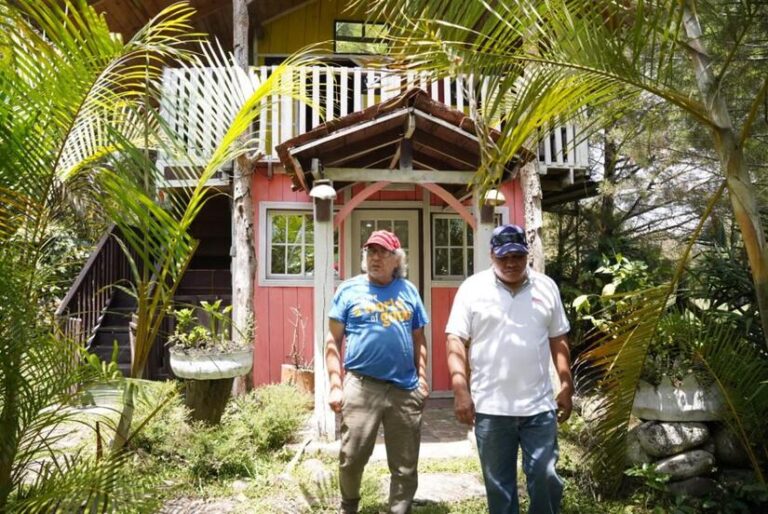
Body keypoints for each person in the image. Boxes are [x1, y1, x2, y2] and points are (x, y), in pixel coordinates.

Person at [445, 224, 573, 514]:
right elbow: (455, 340)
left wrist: (567, 384)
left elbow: (558, 338)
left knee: (546, 477)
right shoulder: (472, 289)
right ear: (491, 256)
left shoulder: (546, 286)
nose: (511, 263)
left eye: (517, 255)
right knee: (499, 489)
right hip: (491, 409)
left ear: (527, 255)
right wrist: (460, 390)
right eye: (504, 257)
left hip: (539, 407)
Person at [325, 229, 429, 514]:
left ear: (397, 259)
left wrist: (422, 379)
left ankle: (399, 509)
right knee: (351, 456)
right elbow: (332, 340)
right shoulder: (348, 290)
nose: (375, 257)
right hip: (361, 386)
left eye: (383, 252)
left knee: (405, 464)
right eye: (371, 251)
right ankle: (349, 505)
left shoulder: (409, 291)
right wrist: (336, 385)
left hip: (404, 388)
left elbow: (420, 339)